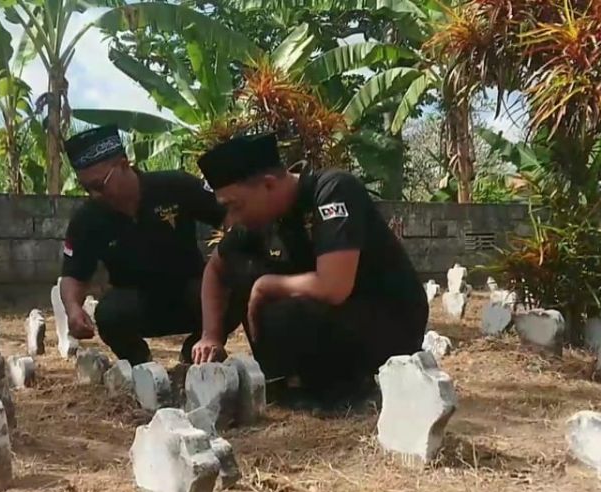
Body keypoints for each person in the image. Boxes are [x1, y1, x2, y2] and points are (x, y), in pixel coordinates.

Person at [191, 133, 428, 408]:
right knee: (244, 272)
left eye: (235, 206)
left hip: (388, 323)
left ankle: (347, 389)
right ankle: (287, 381)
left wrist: (267, 285)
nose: (231, 219)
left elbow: (334, 287)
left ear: (268, 185)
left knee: (281, 304)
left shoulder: (332, 191)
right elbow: (216, 270)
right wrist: (211, 335)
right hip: (330, 321)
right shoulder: (261, 217)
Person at [59, 125, 226, 364]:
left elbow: (231, 214)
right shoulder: (88, 219)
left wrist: (228, 255)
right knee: (108, 313)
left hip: (193, 297)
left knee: (233, 289)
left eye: (99, 185)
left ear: (124, 164)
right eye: (87, 189)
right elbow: (73, 275)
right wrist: (73, 309)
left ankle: (195, 353)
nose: (95, 195)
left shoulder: (175, 186)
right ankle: (140, 364)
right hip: (137, 305)